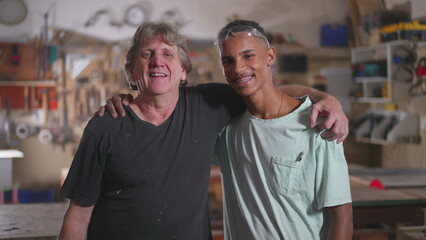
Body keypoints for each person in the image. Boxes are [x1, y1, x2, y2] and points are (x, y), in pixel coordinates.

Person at [59, 22, 348, 240]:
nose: (157, 61)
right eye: (147, 54)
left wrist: (325, 98)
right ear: (132, 72)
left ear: (184, 70)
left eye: (168, 54)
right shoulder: (107, 124)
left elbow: (263, 90)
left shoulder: (208, 106)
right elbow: (77, 217)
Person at [212, 19, 353, 239]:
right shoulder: (228, 129)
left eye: (248, 56)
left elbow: (341, 218)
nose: (238, 68)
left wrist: (326, 98)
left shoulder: (319, 125)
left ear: (270, 56)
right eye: (228, 60)